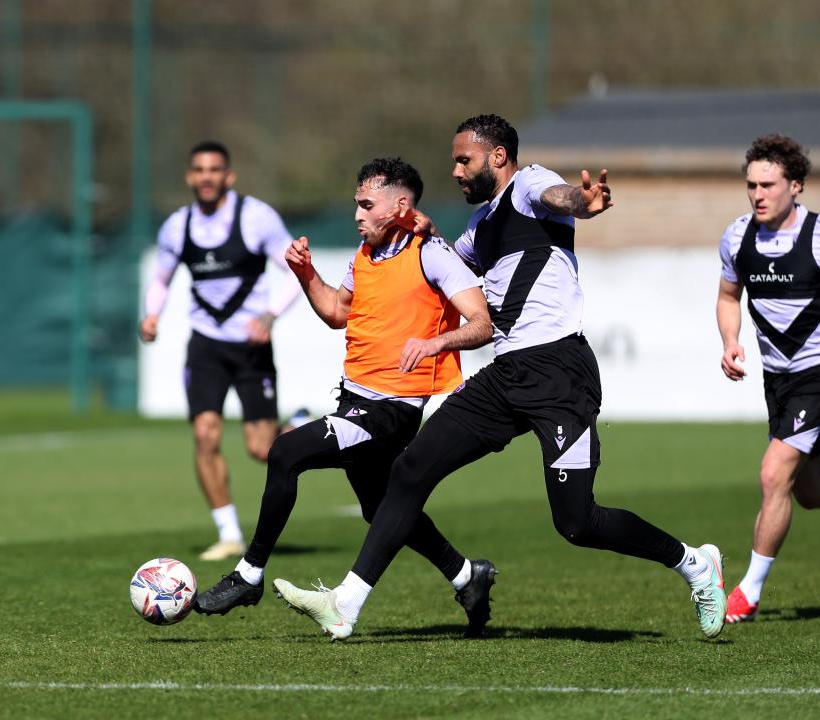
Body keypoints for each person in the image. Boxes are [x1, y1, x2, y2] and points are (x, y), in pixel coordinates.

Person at [273, 114, 727, 640]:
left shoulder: (530, 184)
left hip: (560, 372)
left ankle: (694, 564)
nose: (457, 172)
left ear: (497, 158)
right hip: (506, 375)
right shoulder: (477, 229)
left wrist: (585, 203)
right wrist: (416, 229)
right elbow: (441, 267)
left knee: (577, 522)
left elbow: (562, 197)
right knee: (411, 468)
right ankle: (345, 605)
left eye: (463, 160)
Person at [193, 157, 499, 636]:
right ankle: (467, 576)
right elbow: (337, 310)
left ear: (400, 205)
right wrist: (305, 272)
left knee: (286, 451)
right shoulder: (366, 254)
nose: (357, 213)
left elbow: (482, 323)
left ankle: (250, 573)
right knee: (382, 511)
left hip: (391, 411)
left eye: (366, 204)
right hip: (355, 401)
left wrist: (437, 342)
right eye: (356, 203)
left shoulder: (432, 253)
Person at [716, 134, 820, 623]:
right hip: (777, 380)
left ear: (795, 186)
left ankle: (748, 592)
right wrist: (730, 340)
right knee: (811, 491)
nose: (758, 194)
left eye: (768, 184)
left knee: (772, 473)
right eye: (751, 185)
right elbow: (727, 296)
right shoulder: (737, 237)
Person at [139, 140, 304, 562]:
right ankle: (229, 533)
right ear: (190, 177)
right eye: (199, 170)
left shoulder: (256, 218)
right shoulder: (177, 226)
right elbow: (161, 279)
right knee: (205, 434)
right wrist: (151, 315)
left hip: (251, 347)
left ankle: (298, 427)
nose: (207, 176)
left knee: (261, 449)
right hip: (206, 345)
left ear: (228, 176)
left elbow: (296, 271)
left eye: (215, 169)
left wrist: (269, 315)